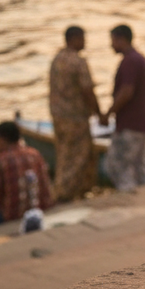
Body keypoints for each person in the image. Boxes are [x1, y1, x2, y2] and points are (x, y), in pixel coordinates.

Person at [49, 25, 101, 201]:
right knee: (79, 157)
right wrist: (99, 113)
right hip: (75, 119)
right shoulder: (78, 62)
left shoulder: (57, 59)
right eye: (83, 38)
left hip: (58, 117)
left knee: (64, 155)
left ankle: (62, 190)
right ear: (75, 39)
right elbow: (88, 91)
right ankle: (66, 194)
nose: (85, 42)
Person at [103, 26, 145, 192]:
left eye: (113, 41)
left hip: (131, 124)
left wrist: (108, 113)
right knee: (139, 167)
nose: (111, 45)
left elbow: (126, 91)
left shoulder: (130, 61)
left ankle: (128, 197)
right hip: (141, 123)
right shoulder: (139, 59)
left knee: (118, 165)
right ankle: (144, 196)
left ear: (121, 39)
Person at [0, 121, 52, 226]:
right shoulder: (35, 154)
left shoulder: (1, 161)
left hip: (13, 216)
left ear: (0, 140)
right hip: (42, 210)